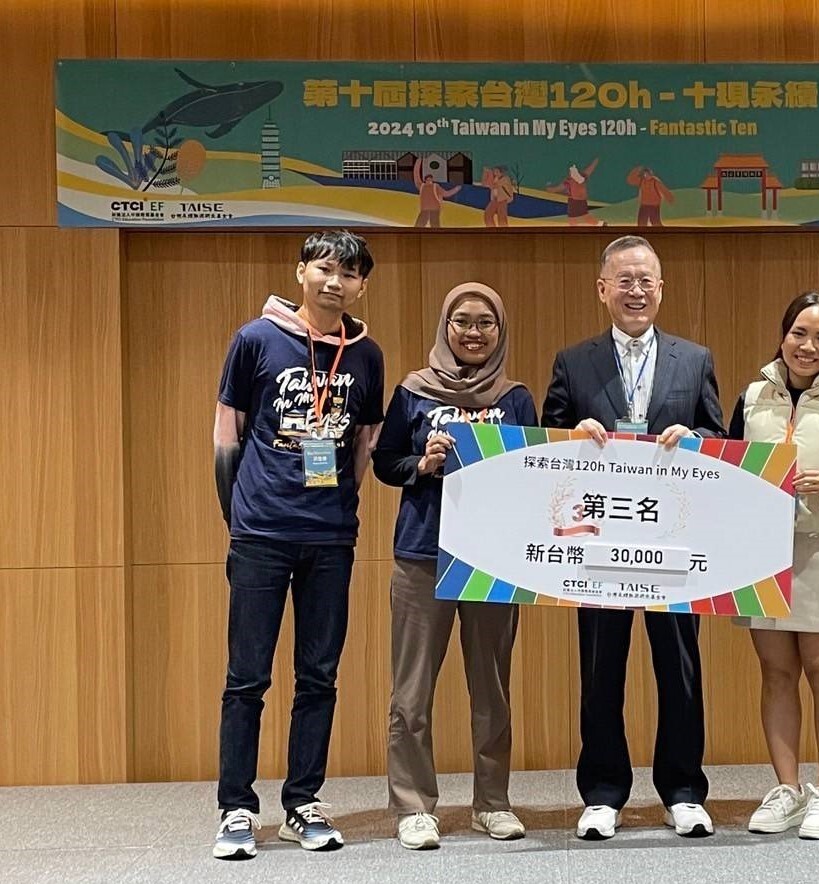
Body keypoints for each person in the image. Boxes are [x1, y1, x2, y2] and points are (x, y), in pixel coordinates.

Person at [542, 235, 725, 840]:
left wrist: (693, 440)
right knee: (600, 669)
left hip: (670, 539)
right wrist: (574, 433)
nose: (636, 290)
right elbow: (545, 441)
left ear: (662, 287)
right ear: (603, 289)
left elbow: (717, 440)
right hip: (600, 541)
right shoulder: (574, 360)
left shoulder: (693, 358)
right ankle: (602, 791)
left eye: (646, 279)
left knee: (680, 667)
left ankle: (682, 790)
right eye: (624, 280)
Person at [211, 230, 385, 860]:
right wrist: (239, 516)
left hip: (331, 537)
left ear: (362, 285)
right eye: (324, 268)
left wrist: (339, 505)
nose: (334, 281)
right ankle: (235, 808)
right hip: (260, 534)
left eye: (348, 272)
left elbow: (364, 443)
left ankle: (302, 803)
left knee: (319, 675)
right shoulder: (255, 340)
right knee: (246, 677)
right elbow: (227, 434)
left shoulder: (367, 356)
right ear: (301, 272)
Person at [373, 282, 538, 850]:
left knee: (491, 688)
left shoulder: (515, 396)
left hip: (493, 560)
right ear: (445, 327)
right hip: (422, 554)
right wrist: (422, 463)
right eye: (462, 322)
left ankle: (492, 803)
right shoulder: (413, 392)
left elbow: (534, 475)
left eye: (485, 323)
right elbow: (384, 462)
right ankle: (414, 807)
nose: (473, 332)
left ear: (500, 331)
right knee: (411, 692)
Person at [728, 292, 819, 839]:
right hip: (762, 553)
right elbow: (726, 462)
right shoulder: (752, 396)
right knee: (776, 672)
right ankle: (786, 789)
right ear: (783, 334)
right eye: (799, 333)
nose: (808, 346)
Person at [547, 158, 604, 226]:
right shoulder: (576, 179)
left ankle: (597, 224)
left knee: (577, 217)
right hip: (577, 201)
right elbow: (589, 169)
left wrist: (550, 188)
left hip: (577, 201)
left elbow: (557, 189)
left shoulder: (573, 179)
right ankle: (598, 224)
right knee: (582, 216)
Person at [414, 158, 461, 228]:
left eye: (430, 179)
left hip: (433, 209)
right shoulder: (422, 186)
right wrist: (418, 163)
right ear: (425, 180)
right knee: (420, 226)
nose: (429, 181)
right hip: (426, 209)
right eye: (428, 180)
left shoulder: (435, 186)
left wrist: (456, 189)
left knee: (434, 226)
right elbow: (416, 175)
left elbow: (446, 193)